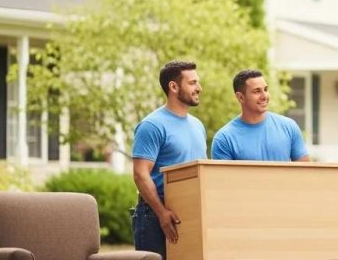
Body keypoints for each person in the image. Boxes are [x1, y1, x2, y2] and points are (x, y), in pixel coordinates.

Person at [132, 61, 208, 259]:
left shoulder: (197, 125)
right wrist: (162, 213)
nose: (199, 88)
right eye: (192, 83)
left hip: (190, 213)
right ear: (173, 87)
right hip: (154, 216)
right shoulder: (152, 125)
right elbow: (140, 174)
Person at [211, 69, 310, 161]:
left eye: (265, 89)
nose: (264, 96)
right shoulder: (224, 139)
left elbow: (306, 173)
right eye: (257, 91)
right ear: (240, 97)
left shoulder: (289, 127)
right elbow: (223, 179)